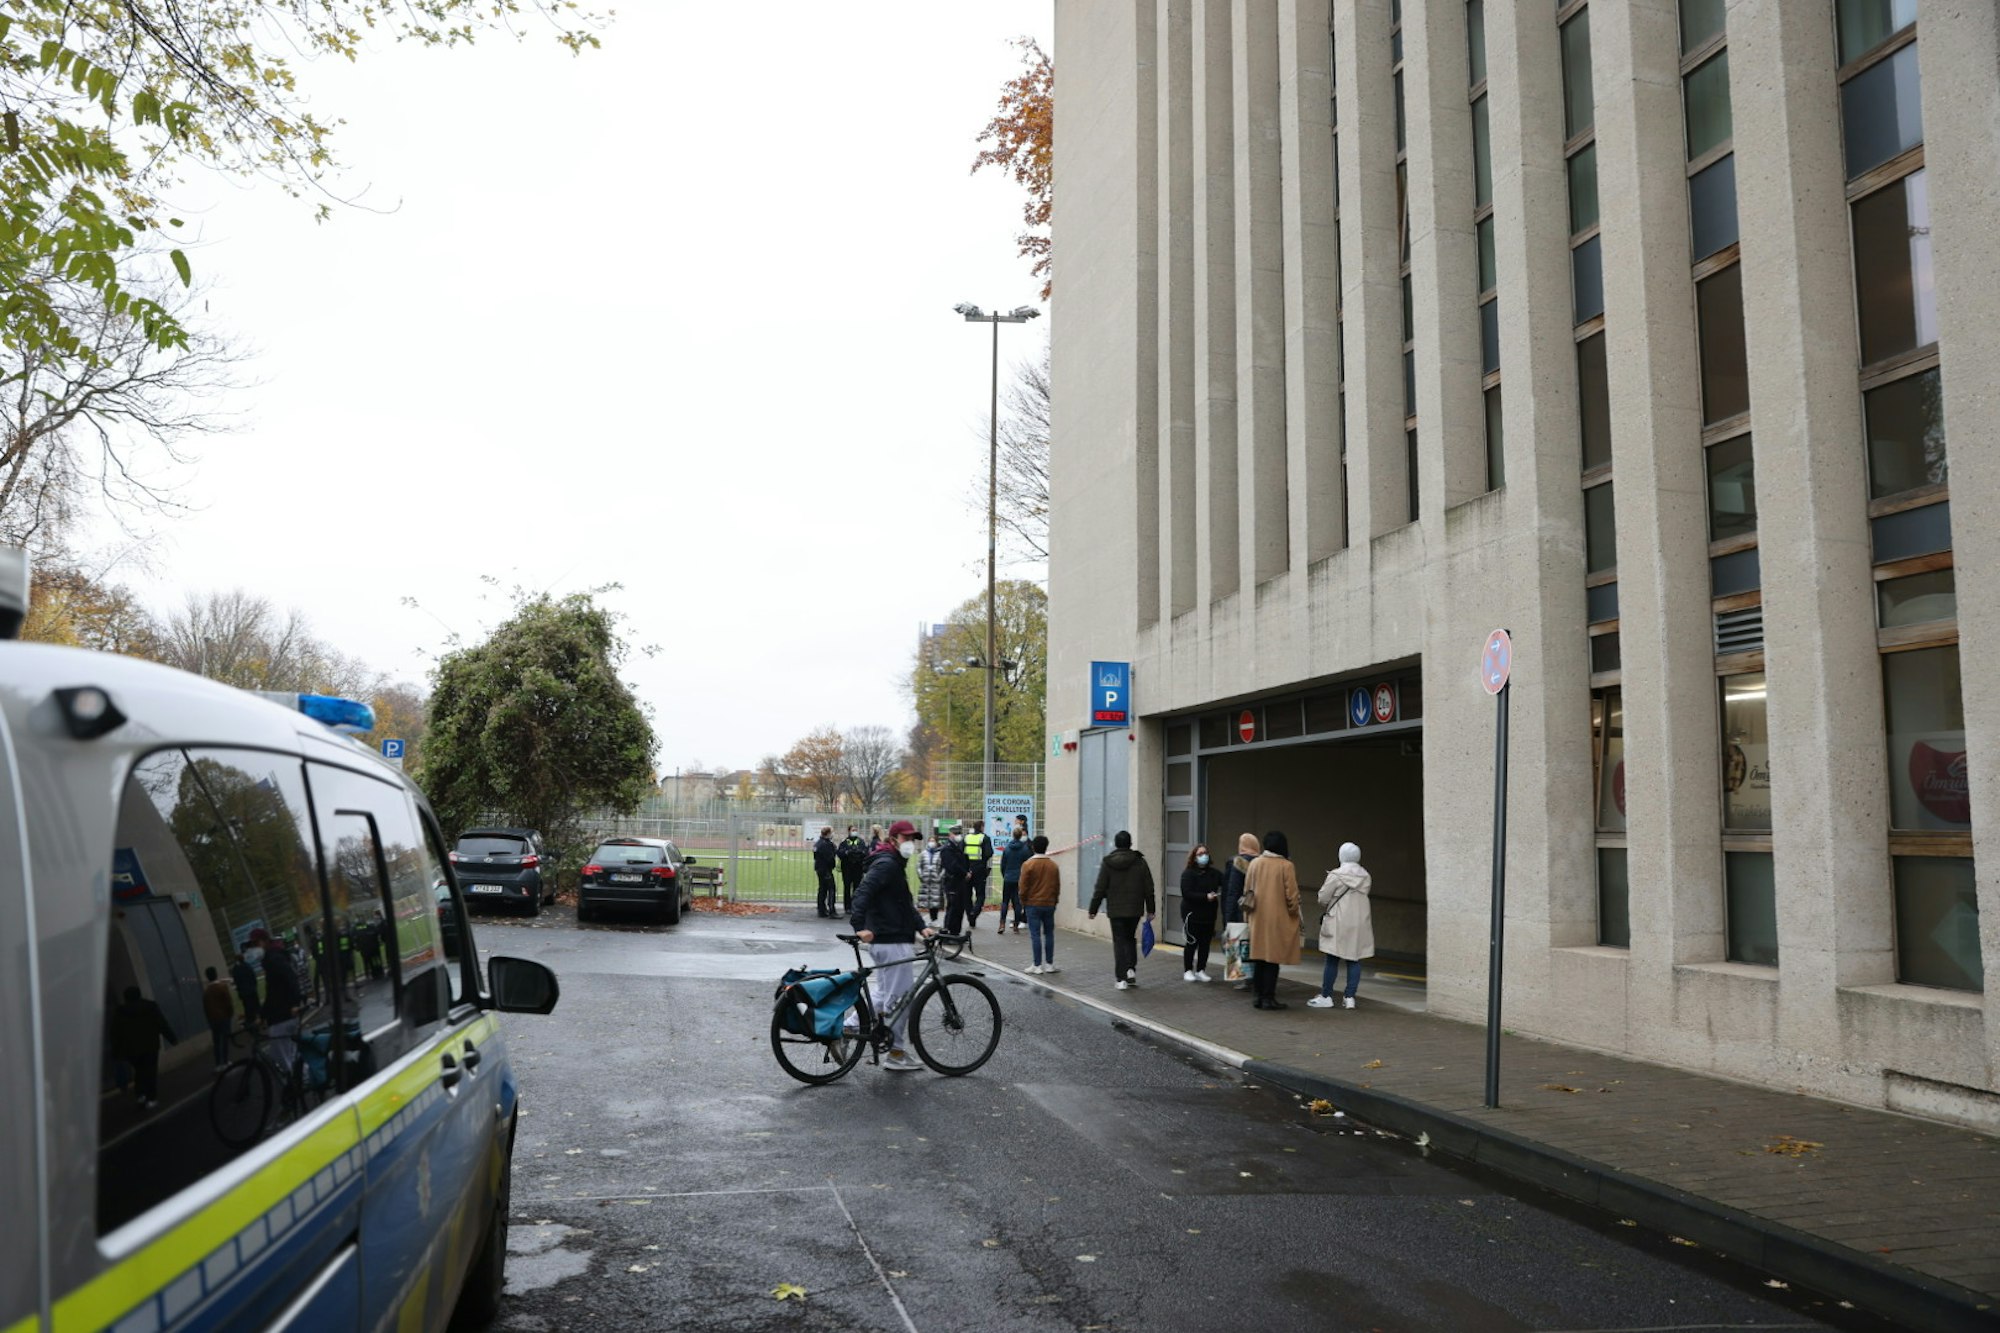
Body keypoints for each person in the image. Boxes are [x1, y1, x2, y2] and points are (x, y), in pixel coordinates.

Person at [849, 819, 934, 1072]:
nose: (911, 844)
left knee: (885, 995)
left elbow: (904, 903)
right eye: (907, 838)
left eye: (913, 839)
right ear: (894, 838)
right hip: (891, 938)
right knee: (900, 1000)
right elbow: (863, 891)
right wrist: (858, 926)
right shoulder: (887, 864)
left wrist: (921, 926)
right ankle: (896, 1053)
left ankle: (848, 1028)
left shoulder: (893, 863)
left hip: (890, 937)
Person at [1088, 830, 1157, 990]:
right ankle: (1131, 969)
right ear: (1130, 843)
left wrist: (1093, 908)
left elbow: (1100, 887)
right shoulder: (1140, 861)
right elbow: (1149, 887)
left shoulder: (1108, 862)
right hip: (1134, 909)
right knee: (1130, 938)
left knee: (1119, 941)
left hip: (1116, 909)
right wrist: (1151, 909)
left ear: (1116, 844)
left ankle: (1121, 979)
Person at [1311, 842, 1375, 1009]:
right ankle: (1350, 997)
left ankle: (1326, 996)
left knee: (1332, 958)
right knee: (1354, 959)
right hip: (1359, 922)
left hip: (1338, 921)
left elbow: (1323, 898)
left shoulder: (1336, 875)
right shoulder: (1366, 877)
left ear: (1341, 856)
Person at [1243, 830, 1302, 1010]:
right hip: (1278, 920)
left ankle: (1258, 996)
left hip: (1257, 919)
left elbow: (1247, 892)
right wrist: (1294, 913)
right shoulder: (1286, 866)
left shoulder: (1255, 863)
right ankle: (1269, 998)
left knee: (1259, 958)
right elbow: (1292, 896)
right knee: (1272, 960)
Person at [109, 985, 177, 1110]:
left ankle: (140, 1094)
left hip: (131, 1049)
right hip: (150, 1045)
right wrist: (172, 1038)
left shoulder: (121, 1012)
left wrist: (116, 1051)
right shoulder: (150, 1007)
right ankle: (151, 1098)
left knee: (139, 1071)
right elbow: (161, 1023)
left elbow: (115, 1033)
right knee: (150, 1072)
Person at [248, 926, 303, 1070]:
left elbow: (290, 979)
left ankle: (299, 1082)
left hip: (283, 1014)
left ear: (265, 941)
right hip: (283, 1013)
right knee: (288, 1053)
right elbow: (273, 992)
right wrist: (263, 1015)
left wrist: (295, 1003)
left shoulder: (273, 959)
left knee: (283, 1055)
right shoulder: (272, 959)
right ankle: (301, 1079)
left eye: (256, 944)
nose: (254, 948)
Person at [1180, 844, 1223, 982]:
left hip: (1209, 916)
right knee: (1191, 943)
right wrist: (1206, 897)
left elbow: (1226, 882)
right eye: (1199, 854)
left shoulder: (1214, 873)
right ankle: (1187, 970)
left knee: (1205, 944)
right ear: (1194, 857)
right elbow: (1187, 893)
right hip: (1192, 915)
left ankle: (1201, 969)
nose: (1203, 856)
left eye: (1205, 853)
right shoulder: (1188, 873)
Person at [1223, 833, 1260, 990]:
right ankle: (1255, 980)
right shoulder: (1262, 862)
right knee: (1255, 947)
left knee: (1239, 944)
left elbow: (1232, 892)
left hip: (1241, 911)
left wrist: (1228, 917)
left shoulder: (1238, 863)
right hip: (1259, 913)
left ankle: (1244, 979)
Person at [1020, 835, 1061, 974]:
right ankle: (1049, 964)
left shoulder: (1028, 865)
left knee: (1035, 934)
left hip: (1033, 903)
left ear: (1033, 847)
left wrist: (1023, 901)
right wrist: (1055, 900)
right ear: (1046, 847)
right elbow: (1057, 886)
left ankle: (1037, 965)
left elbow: (1023, 887)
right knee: (1049, 933)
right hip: (1049, 903)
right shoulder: (1053, 866)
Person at [939, 824, 973, 941]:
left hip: (960, 882)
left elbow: (964, 861)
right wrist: (965, 873)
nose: (958, 836)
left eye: (959, 833)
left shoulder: (958, 847)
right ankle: (948, 932)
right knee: (953, 907)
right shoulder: (947, 848)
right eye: (956, 834)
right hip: (952, 881)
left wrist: (968, 871)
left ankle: (955, 932)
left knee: (959, 907)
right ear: (950, 834)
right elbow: (952, 865)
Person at [997, 823, 1033, 933]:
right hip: (1019, 879)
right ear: (1021, 835)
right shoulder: (1025, 849)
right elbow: (1028, 865)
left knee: (1005, 901)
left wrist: (1005, 875)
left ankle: (1002, 924)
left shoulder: (1007, 849)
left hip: (1008, 878)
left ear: (1012, 835)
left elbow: (1003, 865)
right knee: (1017, 903)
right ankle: (1016, 925)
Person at [202, 966, 236, 1069]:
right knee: (225, 1040)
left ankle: (218, 1064)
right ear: (216, 974)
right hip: (224, 1017)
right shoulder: (222, 987)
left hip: (213, 1019)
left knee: (216, 1042)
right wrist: (230, 1013)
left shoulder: (206, 992)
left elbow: (206, 1008)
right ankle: (225, 1061)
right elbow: (228, 1003)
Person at [963, 819, 993, 929]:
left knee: (966, 895)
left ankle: (970, 917)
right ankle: (974, 913)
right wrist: (982, 861)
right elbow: (989, 853)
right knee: (980, 895)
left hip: (967, 870)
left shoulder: (966, 837)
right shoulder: (984, 838)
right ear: (981, 827)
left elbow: (961, 852)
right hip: (980, 870)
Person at [837, 826, 869, 913]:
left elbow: (866, 853)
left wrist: (860, 852)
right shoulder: (845, 842)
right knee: (847, 887)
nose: (854, 832)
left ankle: (855, 906)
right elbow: (839, 853)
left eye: (855, 830)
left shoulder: (861, 842)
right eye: (853, 830)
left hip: (858, 868)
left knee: (857, 888)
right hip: (847, 868)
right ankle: (847, 907)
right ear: (849, 831)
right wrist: (848, 852)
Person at [229, 950, 260, 1037]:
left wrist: (240, 991)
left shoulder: (236, 969)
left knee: (248, 1010)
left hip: (244, 993)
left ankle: (251, 1027)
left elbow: (236, 982)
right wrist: (253, 987)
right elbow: (253, 978)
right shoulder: (247, 966)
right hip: (252, 991)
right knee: (255, 1008)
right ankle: (257, 1025)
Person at [917, 832, 946, 923]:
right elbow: (919, 866)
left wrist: (940, 877)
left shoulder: (941, 853)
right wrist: (921, 875)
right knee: (927, 900)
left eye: (933, 841)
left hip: (936, 881)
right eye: (930, 841)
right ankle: (930, 919)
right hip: (926, 880)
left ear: (937, 842)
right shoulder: (923, 853)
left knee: (935, 901)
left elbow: (944, 867)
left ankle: (934, 919)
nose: (931, 842)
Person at [812, 826, 839, 918]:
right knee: (831, 889)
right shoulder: (826, 844)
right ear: (828, 833)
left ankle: (821, 909)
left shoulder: (818, 843)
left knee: (822, 889)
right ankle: (832, 910)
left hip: (819, 868)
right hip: (826, 869)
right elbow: (830, 858)